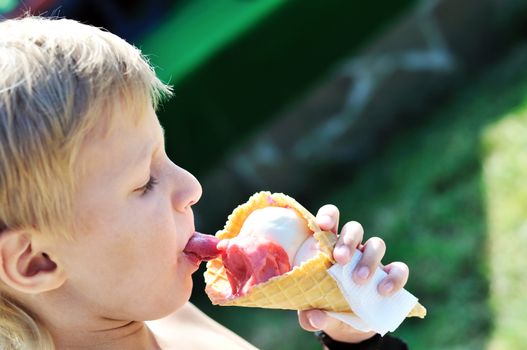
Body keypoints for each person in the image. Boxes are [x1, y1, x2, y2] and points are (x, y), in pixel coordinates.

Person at [0, 16, 410, 349]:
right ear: (37, 261)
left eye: (165, 156)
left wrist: (355, 336)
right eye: (145, 182)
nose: (191, 187)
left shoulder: (168, 319)